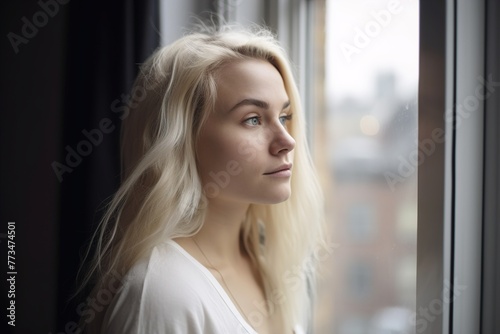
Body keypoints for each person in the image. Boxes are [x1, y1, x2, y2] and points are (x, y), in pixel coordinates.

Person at [78, 24, 325, 334]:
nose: (287, 141)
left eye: (284, 116)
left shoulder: (267, 264)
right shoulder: (161, 295)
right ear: (183, 139)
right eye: (252, 119)